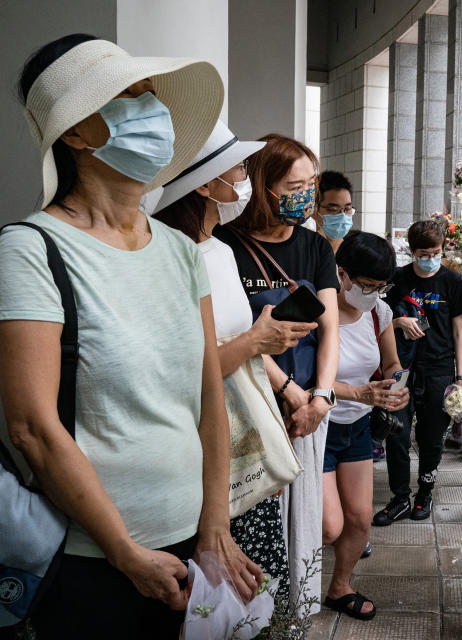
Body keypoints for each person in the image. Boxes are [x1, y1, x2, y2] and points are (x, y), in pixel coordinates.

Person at [0, 35, 260, 638]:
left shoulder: (180, 252)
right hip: (89, 558)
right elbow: (32, 427)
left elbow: (207, 393)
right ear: (76, 136)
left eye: (151, 93)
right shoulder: (32, 249)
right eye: (129, 95)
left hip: (191, 541)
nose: (154, 109)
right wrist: (123, 551)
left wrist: (216, 524)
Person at [152, 120, 319, 605]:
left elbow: (239, 356)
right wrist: (254, 341)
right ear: (206, 184)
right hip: (198, 451)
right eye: (240, 168)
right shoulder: (172, 255)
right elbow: (182, 372)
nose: (246, 179)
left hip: (242, 440)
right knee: (221, 600)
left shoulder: (220, 250)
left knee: (260, 598)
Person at [213, 135, 339, 612]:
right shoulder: (225, 244)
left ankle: (295, 614)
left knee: (306, 519)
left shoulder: (315, 246)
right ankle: (257, 616)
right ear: (263, 186)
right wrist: (289, 393)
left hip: (309, 408)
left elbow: (329, 330)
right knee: (255, 515)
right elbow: (233, 334)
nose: (305, 194)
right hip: (254, 405)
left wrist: (321, 397)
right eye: (293, 184)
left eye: (311, 183)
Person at [321, 231, 408, 620]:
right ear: (342, 274)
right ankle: (290, 586)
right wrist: (360, 393)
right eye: (367, 285)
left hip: (356, 427)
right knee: (328, 525)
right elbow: (310, 381)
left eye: (380, 286)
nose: (374, 293)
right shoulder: (317, 311)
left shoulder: (378, 312)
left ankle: (340, 587)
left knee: (359, 520)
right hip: (319, 427)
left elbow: (390, 362)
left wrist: (395, 384)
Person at [374, 220, 462, 526]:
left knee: (432, 437)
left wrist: (460, 377)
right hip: (400, 367)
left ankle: (425, 492)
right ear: (412, 251)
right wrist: (399, 323)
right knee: (397, 433)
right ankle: (400, 497)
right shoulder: (398, 278)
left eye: (436, 252)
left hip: (439, 368)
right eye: (424, 253)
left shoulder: (452, 281)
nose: (430, 258)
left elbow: (458, 332)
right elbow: (378, 319)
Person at [311, 170, 355, 253]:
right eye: (333, 209)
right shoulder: (306, 247)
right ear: (314, 209)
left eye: (347, 209)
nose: (342, 215)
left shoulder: (353, 250)